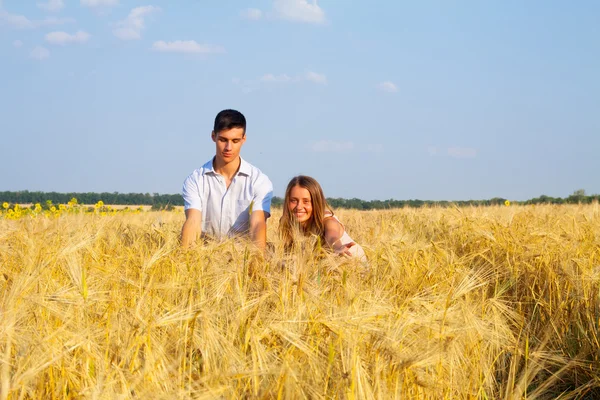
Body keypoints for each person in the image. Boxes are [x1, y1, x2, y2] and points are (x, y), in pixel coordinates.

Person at [181, 109, 273, 250]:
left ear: (244, 139)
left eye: (235, 141)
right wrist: (184, 258)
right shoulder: (196, 180)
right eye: (223, 140)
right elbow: (193, 221)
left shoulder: (258, 181)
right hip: (205, 258)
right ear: (213, 136)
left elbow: (257, 224)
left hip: (243, 260)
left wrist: (258, 264)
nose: (228, 147)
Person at [279, 175, 366, 260]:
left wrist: (337, 247)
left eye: (306, 201)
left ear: (316, 202)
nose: (299, 206)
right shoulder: (286, 222)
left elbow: (332, 237)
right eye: (293, 200)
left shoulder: (327, 221)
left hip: (350, 261)